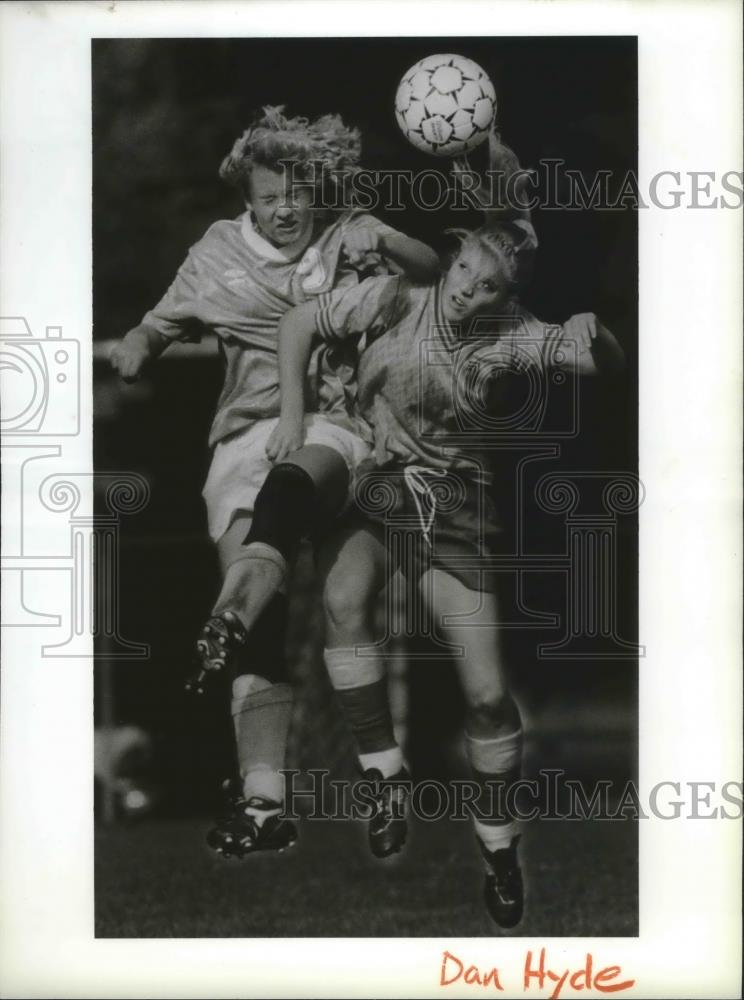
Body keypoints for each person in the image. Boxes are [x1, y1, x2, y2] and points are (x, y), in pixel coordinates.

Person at [272, 203, 625, 927]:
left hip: (454, 507)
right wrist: (290, 414)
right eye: (463, 268)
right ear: (452, 259)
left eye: (487, 284)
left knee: (490, 697)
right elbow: (297, 324)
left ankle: (498, 850)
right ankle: (384, 778)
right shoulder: (398, 296)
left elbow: (598, 361)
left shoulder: (513, 336)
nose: (467, 287)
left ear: (507, 296)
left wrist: (601, 331)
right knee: (344, 601)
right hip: (376, 480)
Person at [110, 106, 439, 857]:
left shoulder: (348, 234)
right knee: (264, 617)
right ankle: (265, 806)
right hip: (242, 437)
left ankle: (382, 779)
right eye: (268, 197)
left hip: (335, 426)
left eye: (295, 193)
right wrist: (135, 344)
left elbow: (428, 270)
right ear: (248, 200)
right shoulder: (216, 252)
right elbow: (161, 322)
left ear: (314, 190)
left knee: (312, 529)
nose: (284, 208)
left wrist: (385, 238)